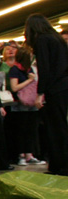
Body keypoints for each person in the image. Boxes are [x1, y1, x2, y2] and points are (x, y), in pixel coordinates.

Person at [25, 14, 68, 175]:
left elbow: (44, 69)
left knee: (54, 128)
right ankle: (60, 164)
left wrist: (39, 93)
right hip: (63, 85)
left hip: (53, 89)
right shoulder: (57, 39)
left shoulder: (42, 40)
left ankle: (59, 165)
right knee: (61, 126)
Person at [8, 47, 45, 166]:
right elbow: (14, 87)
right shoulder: (15, 70)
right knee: (21, 130)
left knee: (31, 129)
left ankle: (30, 154)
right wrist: (29, 81)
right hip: (20, 104)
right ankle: (21, 154)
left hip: (32, 103)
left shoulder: (30, 69)